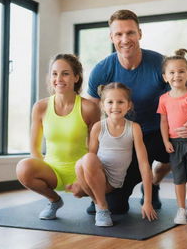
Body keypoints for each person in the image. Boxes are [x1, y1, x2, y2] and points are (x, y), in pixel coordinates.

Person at [85, 9, 187, 214]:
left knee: (181, 146)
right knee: (116, 207)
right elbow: (94, 114)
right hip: (124, 136)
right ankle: (105, 197)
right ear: (111, 37)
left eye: (130, 33)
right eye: (118, 34)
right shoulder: (102, 70)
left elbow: (180, 99)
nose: (125, 39)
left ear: (140, 33)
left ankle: (153, 183)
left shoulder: (160, 64)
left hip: (159, 131)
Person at [16, 54, 99, 220]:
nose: (59, 79)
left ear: (76, 77)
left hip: (81, 171)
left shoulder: (88, 107)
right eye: (54, 74)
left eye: (65, 73)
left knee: (115, 204)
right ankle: (54, 200)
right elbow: (35, 148)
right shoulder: (40, 107)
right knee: (23, 168)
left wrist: (83, 179)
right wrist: (39, 166)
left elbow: (95, 148)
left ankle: (99, 203)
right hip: (52, 172)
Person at [67, 82, 157, 226]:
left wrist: (147, 201)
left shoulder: (134, 128)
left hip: (113, 182)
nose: (115, 106)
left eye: (120, 102)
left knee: (115, 205)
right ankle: (101, 207)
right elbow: (90, 161)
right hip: (97, 174)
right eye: (110, 102)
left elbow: (144, 164)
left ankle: (97, 201)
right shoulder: (98, 127)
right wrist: (80, 180)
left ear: (129, 105)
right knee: (82, 162)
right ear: (103, 105)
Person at [157, 49, 187, 225]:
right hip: (175, 144)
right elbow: (163, 122)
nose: (176, 75)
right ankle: (181, 209)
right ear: (165, 77)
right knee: (179, 178)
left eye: (181, 71)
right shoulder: (163, 99)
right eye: (172, 72)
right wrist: (165, 141)